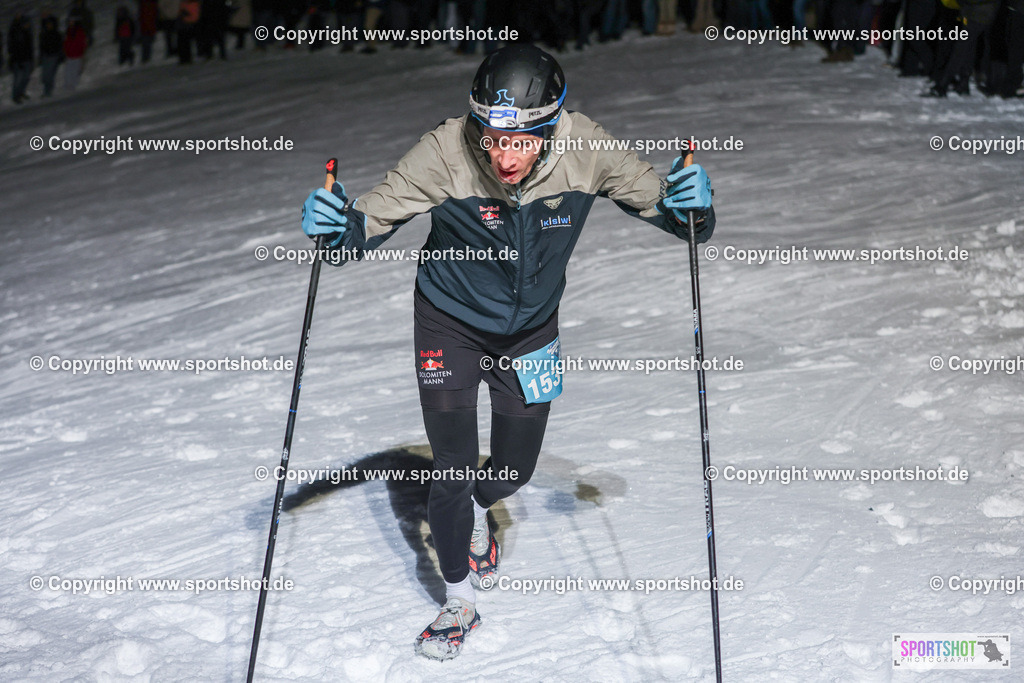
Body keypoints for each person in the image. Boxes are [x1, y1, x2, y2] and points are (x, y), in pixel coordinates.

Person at [299, 44, 715, 660]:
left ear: (551, 127)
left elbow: (682, 220)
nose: (504, 155)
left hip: (531, 332)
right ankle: (458, 599)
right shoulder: (444, 151)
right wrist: (334, 226)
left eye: (521, 142)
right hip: (449, 323)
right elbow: (360, 230)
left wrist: (695, 204)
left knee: (510, 472)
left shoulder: (587, 148)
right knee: (453, 467)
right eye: (493, 138)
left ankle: (476, 509)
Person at [8, 13, 34, 104]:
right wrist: (17, 61)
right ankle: (16, 96)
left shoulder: (28, 33)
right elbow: (14, 49)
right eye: (26, 24)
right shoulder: (17, 34)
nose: (28, 25)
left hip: (27, 59)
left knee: (26, 77)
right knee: (18, 79)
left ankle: (21, 92)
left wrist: (31, 59)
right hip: (18, 60)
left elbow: (30, 48)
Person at [39, 14, 63, 97]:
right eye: (47, 24)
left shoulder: (56, 34)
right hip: (46, 56)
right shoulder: (44, 34)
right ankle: (47, 90)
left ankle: (47, 92)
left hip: (54, 56)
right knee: (45, 76)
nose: (48, 25)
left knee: (50, 75)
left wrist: (60, 56)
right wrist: (41, 57)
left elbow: (60, 46)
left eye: (50, 24)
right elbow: (41, 46)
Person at [63, 17, 88, 91]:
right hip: (69, 54)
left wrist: (82, 52)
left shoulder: (79, 31)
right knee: (68, 71)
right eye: (70, 21)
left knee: (75, 70)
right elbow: (65, 42)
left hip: (77, 54)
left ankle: (73, 85)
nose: (70, 23)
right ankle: (67, 85)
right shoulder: (68, 31)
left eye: (72, 21)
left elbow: (82, 43)